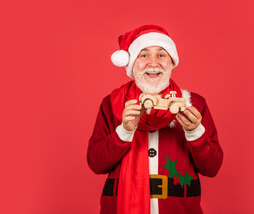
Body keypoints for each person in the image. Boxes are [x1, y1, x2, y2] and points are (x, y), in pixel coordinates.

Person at [87, 24, 223, 214]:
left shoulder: (193, 103)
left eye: (161, 55)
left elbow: (212, 168)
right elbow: (96, 163)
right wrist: (124, 131)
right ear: (132, 63)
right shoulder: (112, 104)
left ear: (172, 62)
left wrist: (194, 133)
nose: (153, 63)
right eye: (143, 55)